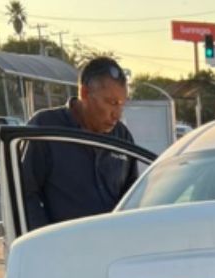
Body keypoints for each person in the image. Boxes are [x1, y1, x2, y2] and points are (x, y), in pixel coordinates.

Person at [20, 56, 139, 230]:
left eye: (122, 104)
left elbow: (133, 198)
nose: (117, 114)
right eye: (112, 103)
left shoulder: (122, 138)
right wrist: (43, 242)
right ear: (84, 93)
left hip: (111, 247)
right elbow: (25, 194)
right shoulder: (46, 129)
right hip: (61, 248)